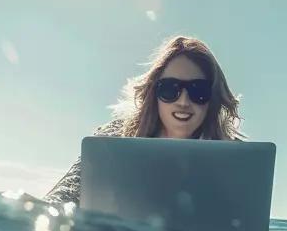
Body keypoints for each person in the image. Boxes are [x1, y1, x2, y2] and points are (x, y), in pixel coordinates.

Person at [45, 35, 243, 205]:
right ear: (153, 93)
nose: (183, 101)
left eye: (198, 91)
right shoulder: (113, 138)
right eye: (169, 89)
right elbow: (61, 197)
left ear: (213, 97)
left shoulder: (236, 158)